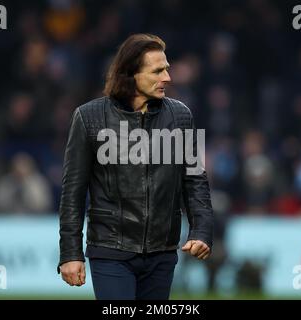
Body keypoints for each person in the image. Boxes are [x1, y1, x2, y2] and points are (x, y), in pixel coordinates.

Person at [58, 33, 214, 300]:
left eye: (167, 68)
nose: (167, 77)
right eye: (157, 71)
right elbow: (72, 192)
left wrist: (201, 231)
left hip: (162, 253)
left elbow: (195, 181)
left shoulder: (181, 116)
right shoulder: (88, 117)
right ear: (130, 74)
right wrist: (70, 253)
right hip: (110, 251)